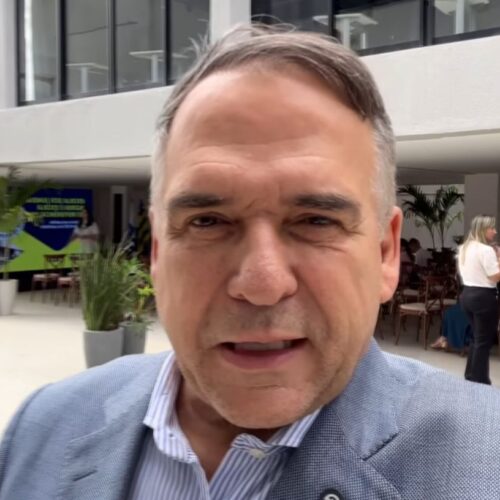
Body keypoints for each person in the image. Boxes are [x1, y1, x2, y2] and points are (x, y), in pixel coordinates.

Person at [3, 25, 500, 500]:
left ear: (384, 253)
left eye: (316, 221)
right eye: (207, 222)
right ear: (156, 252)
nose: (262, 283)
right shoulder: (43, 426)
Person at [458, 215, 500, 384]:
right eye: (492, 228)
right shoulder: (486, 250)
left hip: (467, 294)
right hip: (484, 297)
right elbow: (495, 277)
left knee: (476, 338)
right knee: (483, 341)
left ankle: (470, 375)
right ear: (483, 229)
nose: (495, 231)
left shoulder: (465, 248)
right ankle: (480, 380)